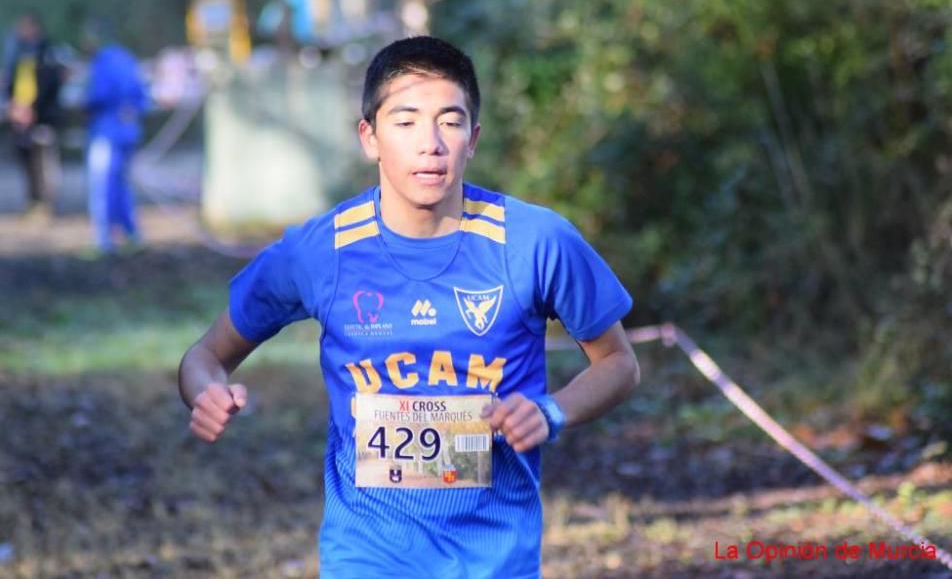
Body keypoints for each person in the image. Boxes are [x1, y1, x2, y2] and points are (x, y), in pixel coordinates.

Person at [177, 36, 641, 577]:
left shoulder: (537, 243)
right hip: (366, 556)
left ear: (473, 139)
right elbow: (205, 356)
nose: (431, 143)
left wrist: (550, 411)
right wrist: (205, 393)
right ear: (369, 137)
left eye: (450, 121)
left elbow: (619, 363)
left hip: (496, 558)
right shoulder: (320, 251)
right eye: (405, 121)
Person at [81, 21, 147, 253]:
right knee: (122, 184)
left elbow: (98, 96)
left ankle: (104, 239)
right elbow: (141, 96)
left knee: (101, 185)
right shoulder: (127, 59)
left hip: (106, 132)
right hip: (128, 133)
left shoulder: (103, 63)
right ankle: (131, 233)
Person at [4, 12, 64, 219]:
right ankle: (32, 201)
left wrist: (34, 109)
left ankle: (47, 204)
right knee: (27, 162)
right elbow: (13, 83)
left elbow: (49, 85)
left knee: (44, 162)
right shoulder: (19, 53)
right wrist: (14, 105)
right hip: (21, 119)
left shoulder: (48, 53)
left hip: (42, 118)